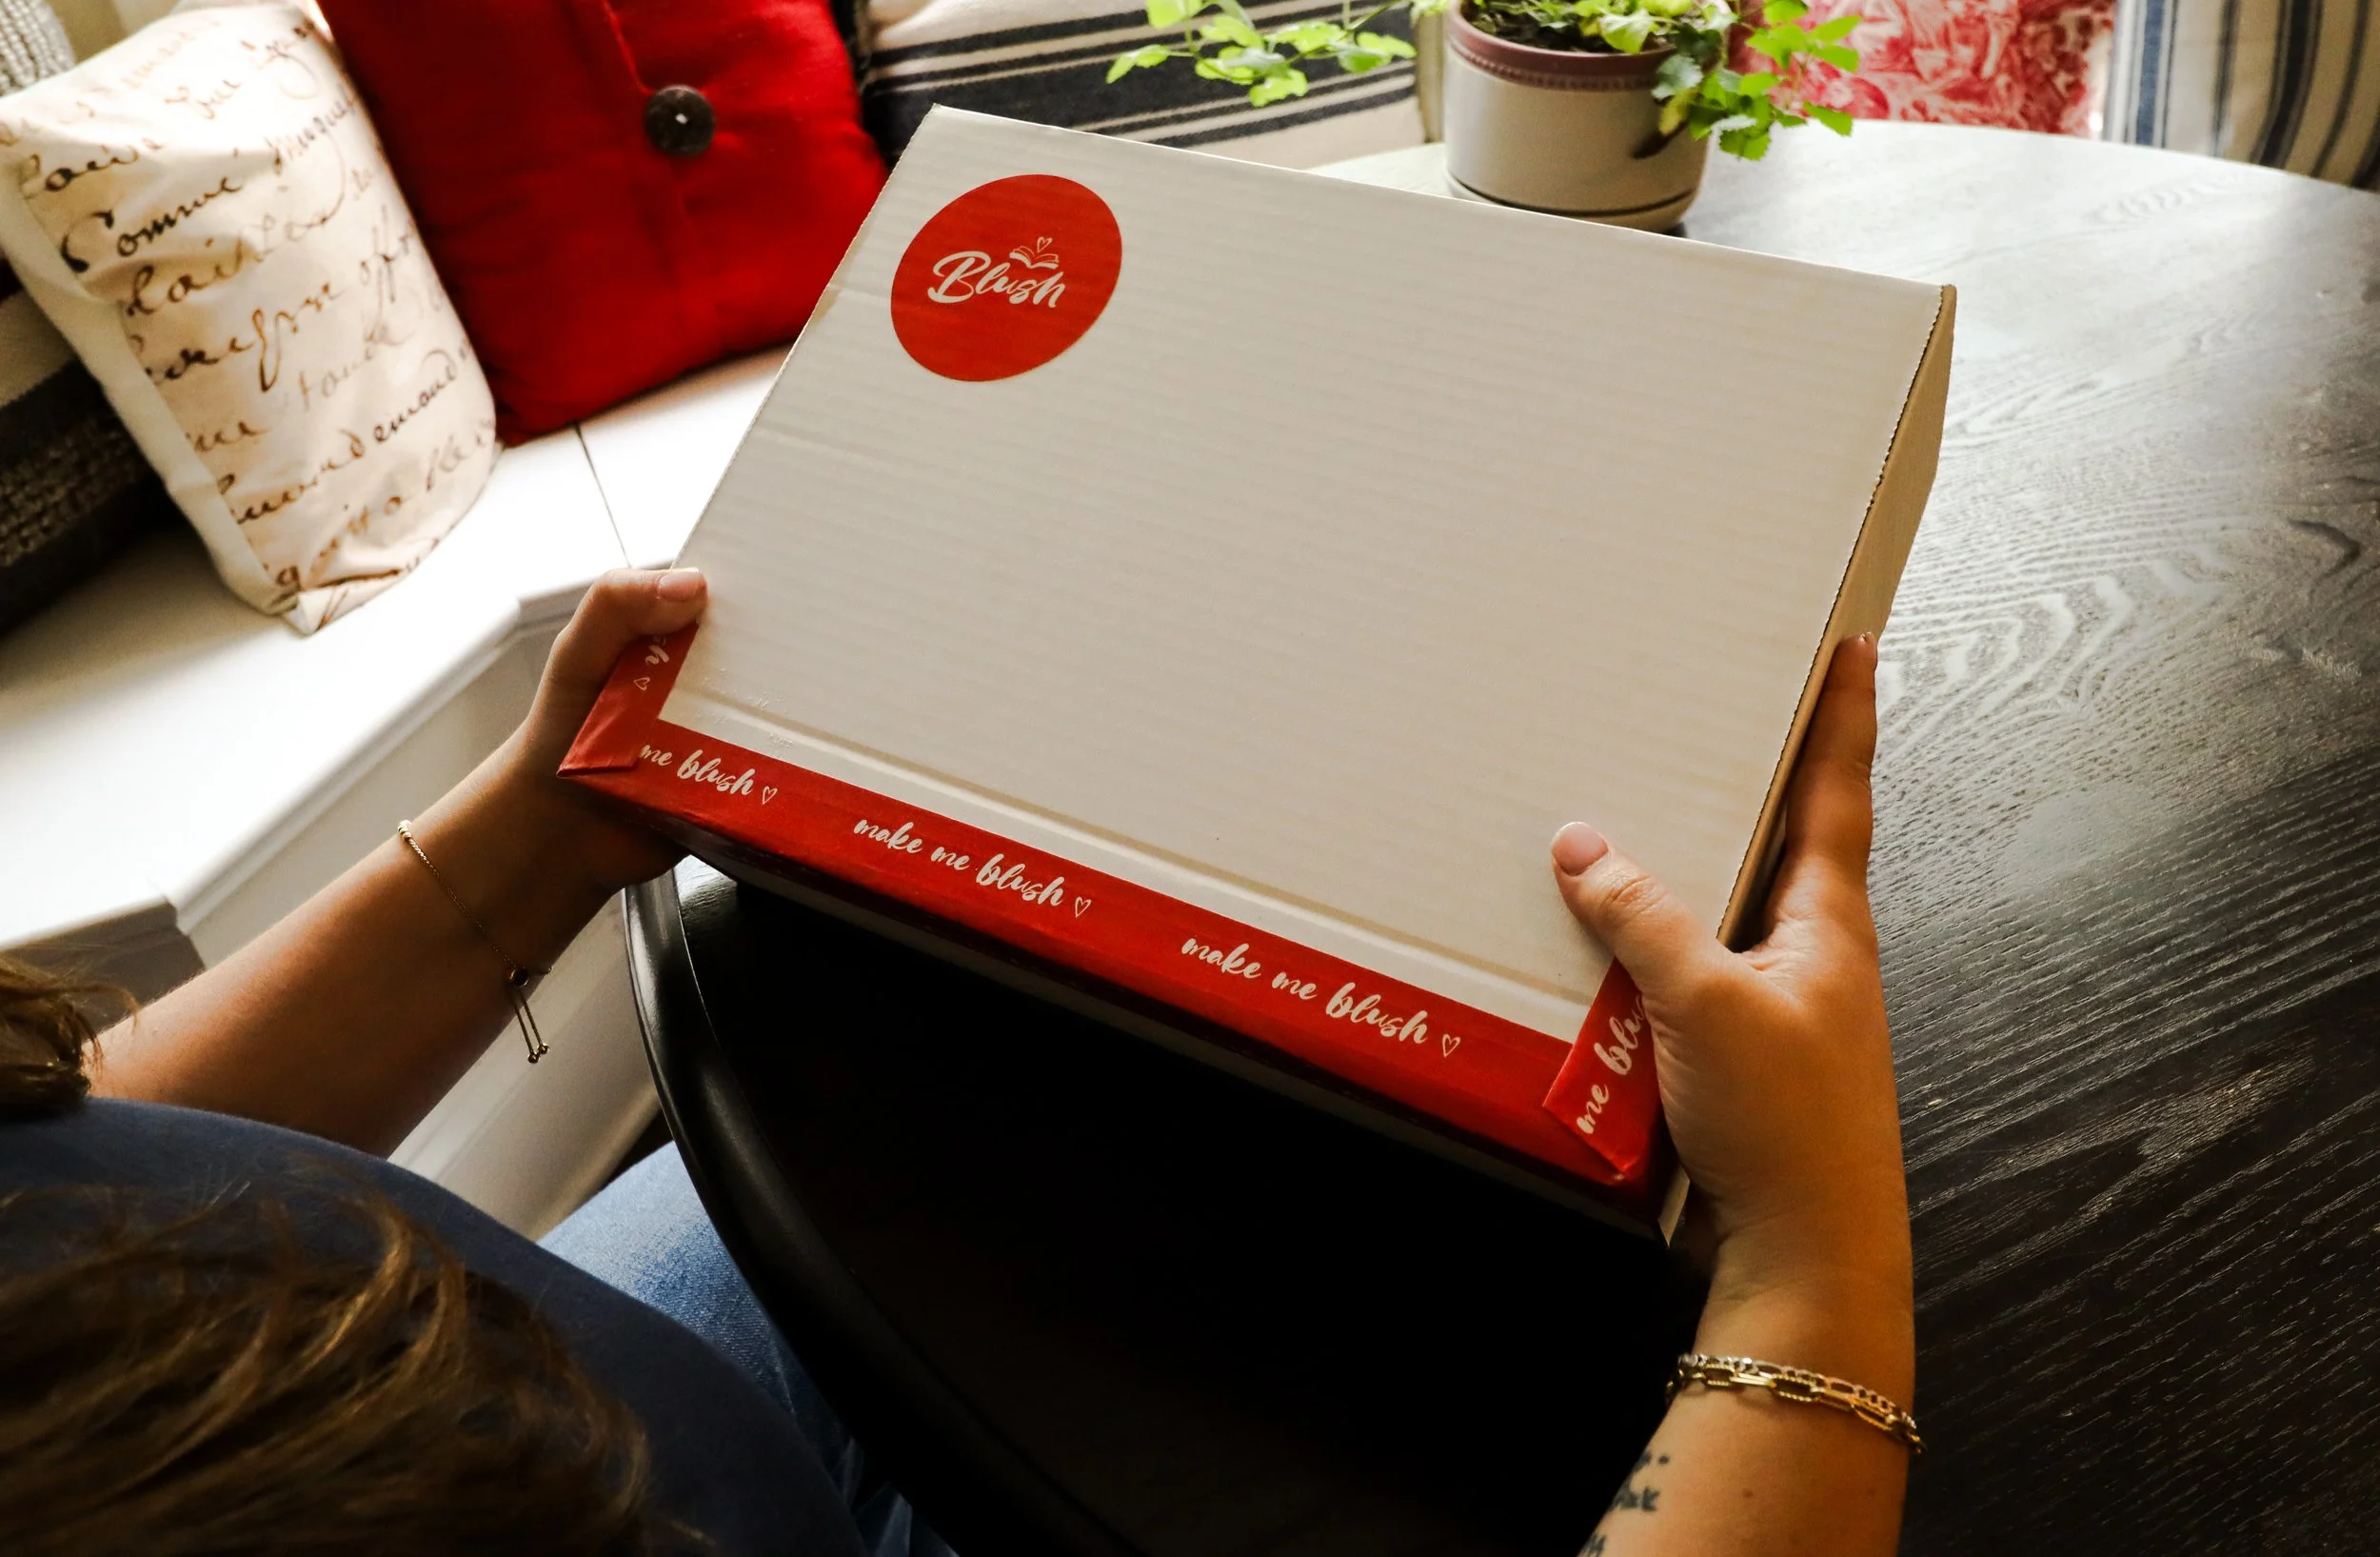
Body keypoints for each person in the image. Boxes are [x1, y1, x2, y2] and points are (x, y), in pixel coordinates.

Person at [0, 568, 1914, 1555]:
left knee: (1110, 1136)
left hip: (521, 1366)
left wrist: (550, 816)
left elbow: (71, 1152)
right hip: (592, 1493)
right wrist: (1816, 1253)